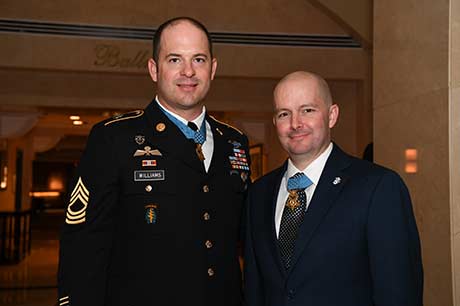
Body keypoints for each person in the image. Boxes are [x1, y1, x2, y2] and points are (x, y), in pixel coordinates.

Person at [58, 17, 251, 306]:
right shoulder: (114, 139)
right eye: (175, 59)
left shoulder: (234, 142)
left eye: (198, 59)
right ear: (154, 69)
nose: (188, 71)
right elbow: (84, 246)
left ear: (212, 68)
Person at [243, 71, 423, 306]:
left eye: (307, 110)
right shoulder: (259, 194)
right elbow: (255, 290)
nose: (295, 124)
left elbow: (399, 293)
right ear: (276, 122)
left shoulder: (378, 188)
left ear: (332, 115)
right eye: (284, 113)